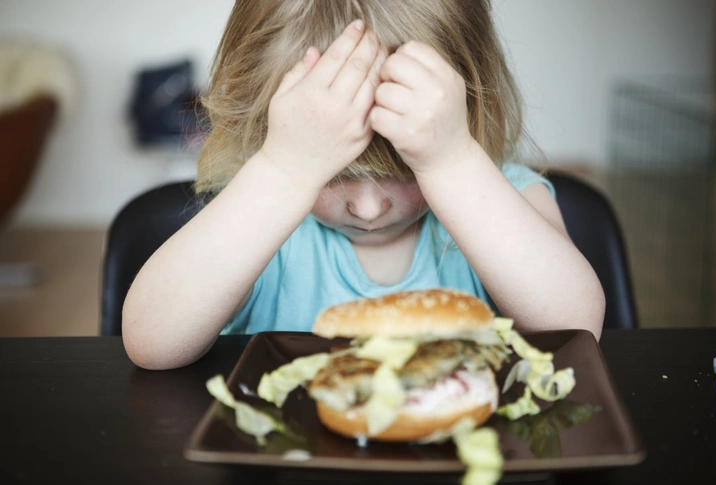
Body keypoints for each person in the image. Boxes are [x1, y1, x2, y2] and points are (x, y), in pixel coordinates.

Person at [122, 0, 605, 370]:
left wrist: (453, 165)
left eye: (406, 169)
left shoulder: (502, 195)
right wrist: (285, 172)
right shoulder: (259, 210)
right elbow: (151, 342)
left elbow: (576, 331)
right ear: (264, 132)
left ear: (468, 117)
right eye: (332, 175)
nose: (370, 209)